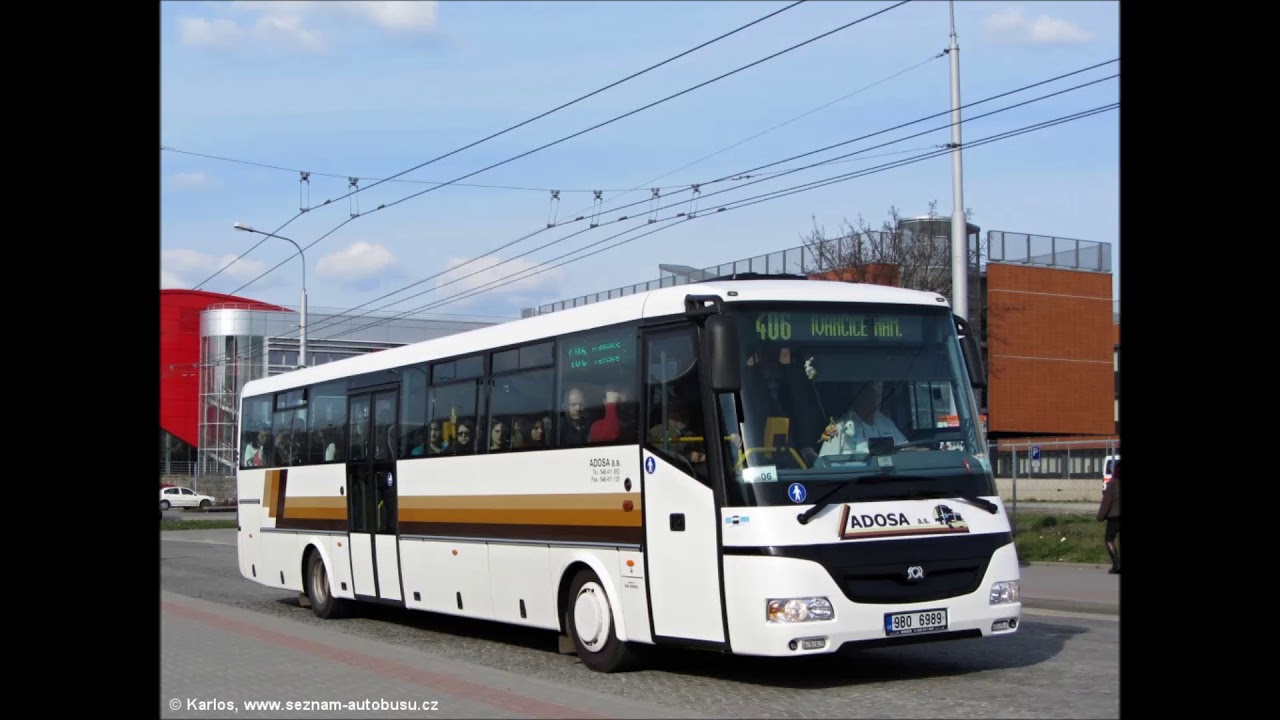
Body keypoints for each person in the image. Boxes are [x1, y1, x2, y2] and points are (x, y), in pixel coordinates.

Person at [816, 380, 907, 458]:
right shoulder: (835, 428)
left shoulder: (887, 424)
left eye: (879, 386)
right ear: (857, 392)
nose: (876, 393)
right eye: (871, 385)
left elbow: (907, 450)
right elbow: (823, 467)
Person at [1096, 458, 1121, 574]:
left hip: (1114, 517)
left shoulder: (1112, 484)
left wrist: (1100, 516)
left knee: (1109, 539)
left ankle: (1116, 564)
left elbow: (1106, 502)